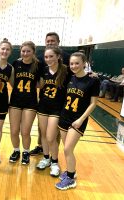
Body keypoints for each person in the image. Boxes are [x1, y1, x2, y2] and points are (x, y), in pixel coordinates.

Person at [56, 52, 99, 190]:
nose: (74, 66)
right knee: (67, 149)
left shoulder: (93, 81)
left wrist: (81, 119)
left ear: (84, 63)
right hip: (64, 117)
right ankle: (71, 172)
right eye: (72, 63)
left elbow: (93, 104)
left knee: (68, 149)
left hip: (78, 120)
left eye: (77, 63)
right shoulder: (70, 78)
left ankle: (70, 179)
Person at [30, 32, 70, 156]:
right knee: (42, 129)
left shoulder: (67, 59)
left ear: (58, 42)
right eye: (48, 41)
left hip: (58, 102)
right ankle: (41, 147)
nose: (50, 43)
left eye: (52, 41)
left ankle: (53, 155)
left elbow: (76, 72)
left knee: (53, 133)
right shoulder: (41, 58)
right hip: (44, 99)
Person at [36, 46, 69, 177]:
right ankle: (46, 158)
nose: (48, 59)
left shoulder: (66, 71)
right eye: (46, 57)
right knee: (43, 135)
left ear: (58, 57)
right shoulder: (43, 70)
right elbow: (38, 84)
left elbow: (79, 75)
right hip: (43, 106)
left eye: (51, 56)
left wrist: (91, 75)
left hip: (57, 108)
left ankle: (54, 162)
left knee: (51, 137)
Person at [8, 41, 41, 164]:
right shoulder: (16, 63)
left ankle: (26, 152)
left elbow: (40, 83)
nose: (25, 53)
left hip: (30, 102)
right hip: (16, 100)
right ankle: (16, 150)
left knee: (25, 131)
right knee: (14, 130)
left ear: (33, 52)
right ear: (20, 51)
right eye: (23, 51)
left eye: (28, 51)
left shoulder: (38, 65)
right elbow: (12, 82)